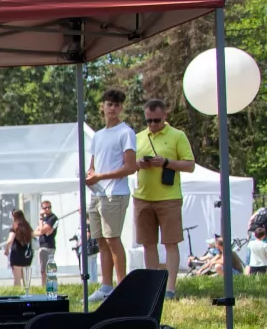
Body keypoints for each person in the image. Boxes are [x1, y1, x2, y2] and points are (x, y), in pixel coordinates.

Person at [131, 97, 196, 297]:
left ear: (165, 116)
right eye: (148, 120)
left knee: (170, 243)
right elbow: (128, 165)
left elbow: (190, 165)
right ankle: (153, 290)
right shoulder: (138, 137)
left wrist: (166, 162)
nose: (152, 124)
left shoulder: (177, 136)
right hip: (143, 198)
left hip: (169, 198)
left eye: (156, 120)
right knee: (148, 244)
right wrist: (140, 164)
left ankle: (170, 289)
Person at [84, 89, 138, 293]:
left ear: (121, 108)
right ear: (103, 107)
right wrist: (89, 177)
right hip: (97, 194)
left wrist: (100, 176)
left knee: (113, 239)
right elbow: (93, 166)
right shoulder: (98, 135)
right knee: (101, 241)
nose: (113, 108)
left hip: (115, 193)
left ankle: (122, 289)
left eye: (116, 105)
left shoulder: (126, 132)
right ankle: (106, 286)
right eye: (109, 104)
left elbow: (130, 167)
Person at [5, 209, 33, 288]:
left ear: (14, 217)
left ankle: (18, 294)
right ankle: (27, 293)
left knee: (17, 280)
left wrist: (6, 249)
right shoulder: (28, 227)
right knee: (26, 280)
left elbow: (10, 240)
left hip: (17, 254)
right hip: (27, 255)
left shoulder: (15, 227)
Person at [34, 199, 59, 287]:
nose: (47, 209)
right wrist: (41, 231)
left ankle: (50, 285)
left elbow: (43, 231)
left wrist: (41, 218)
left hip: (49, 246)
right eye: (45, 208)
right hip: (42, 245)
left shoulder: (53, 218)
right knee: (43, 268)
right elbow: (35, 232)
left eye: (49, 207)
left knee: (49, 268)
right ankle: (44, 285)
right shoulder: (44, 219)